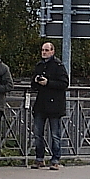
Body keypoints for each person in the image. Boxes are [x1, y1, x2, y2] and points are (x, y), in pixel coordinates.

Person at [30, 41, 69, 170]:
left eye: (47, 50)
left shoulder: (58, 66)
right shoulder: (39, 65)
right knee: (37, 134)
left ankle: (55, 159)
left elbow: (64, 84)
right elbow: (33, 84)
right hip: (41, 105)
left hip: (55, 106)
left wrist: (48, 83)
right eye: (43, 50)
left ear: (52, 51)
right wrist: (36, 81)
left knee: (55, 135)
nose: (44, 52)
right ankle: (39, 159)